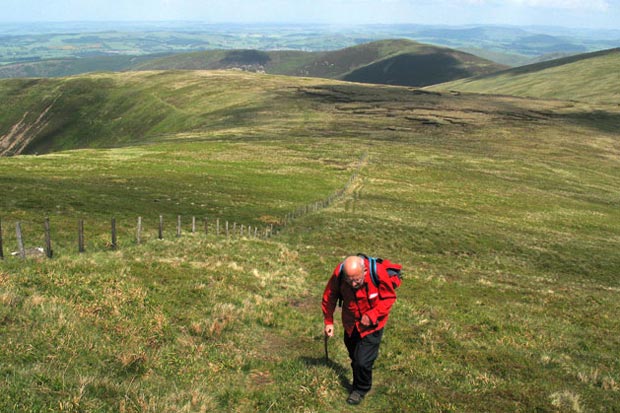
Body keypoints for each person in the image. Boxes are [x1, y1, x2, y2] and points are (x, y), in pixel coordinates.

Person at [322, 255, 397, 405]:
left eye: (357, 279)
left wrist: (372, 315)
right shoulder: (339, 274)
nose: (354, 283)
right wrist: (329, 321)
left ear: (364, 271)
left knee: (362, 361)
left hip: (373, 326)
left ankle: (361, 389)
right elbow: (330, 296)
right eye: (349, 280)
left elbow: (389, 297)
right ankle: (360, 376)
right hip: (350, 324)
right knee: (355, 356)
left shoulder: (378, 272)